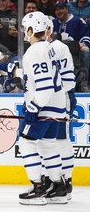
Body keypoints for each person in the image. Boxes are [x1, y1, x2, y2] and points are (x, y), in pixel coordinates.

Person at [19, 11, 67, 205]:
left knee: (26, 142)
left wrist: (34, 107)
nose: (24, 33)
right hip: (56, 105)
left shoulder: (34, 51)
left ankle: (37, 187)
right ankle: (58, 186)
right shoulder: (48, 48)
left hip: (44, 105)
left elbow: (44, 85)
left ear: (31, 30)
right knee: (48, 145)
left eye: (25, 29)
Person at [45, 16, 76, 201]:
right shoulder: (40, 48)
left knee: (60, 140)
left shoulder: (59, 47)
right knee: (47, 142)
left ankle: (66, 179)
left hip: (62, 98)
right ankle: (51, 179)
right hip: (48, 100)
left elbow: (67, 79)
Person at [52, 0, 90, 92]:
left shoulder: (77, 21)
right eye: (56, 10)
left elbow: (86, 35)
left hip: (75, 51)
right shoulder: (53, 23)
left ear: (67, 9)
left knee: (85, 51)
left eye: (61, 8)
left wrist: (83, 44)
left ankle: (83, 83)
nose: (59, 11)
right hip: (57, 52)